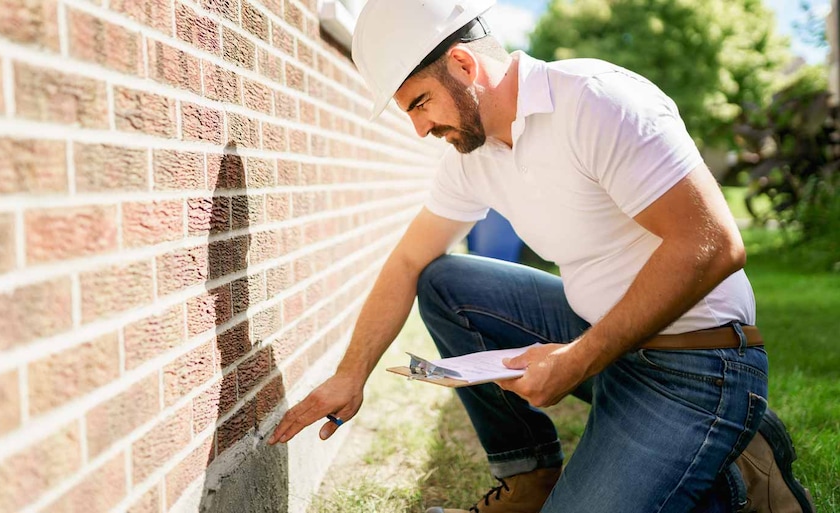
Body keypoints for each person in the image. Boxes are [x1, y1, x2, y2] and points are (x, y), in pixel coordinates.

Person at [268, 1, 815, 511]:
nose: (420, 128)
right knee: (445, 282)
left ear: (462, 64)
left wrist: (578, 358)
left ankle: (733, 465)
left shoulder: (597, 101)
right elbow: (409, 262)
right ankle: (531, 479)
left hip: (699, 366)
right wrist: (350, 374)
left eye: (419, 103)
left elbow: (713, 244)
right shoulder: (473, 155)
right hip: (606, 341)